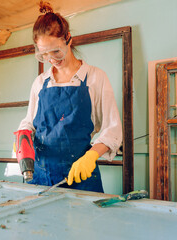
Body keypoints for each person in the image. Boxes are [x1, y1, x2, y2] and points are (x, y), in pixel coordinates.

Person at [14, 1, 122, 193]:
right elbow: (28, 123)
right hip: (40, 175)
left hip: (81, 175)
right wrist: (22, 137)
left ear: (68, 39)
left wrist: (90, 157)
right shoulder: (40, 82)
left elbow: (113, 130)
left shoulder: (95, 77)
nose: (52, 59)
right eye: (44, 54)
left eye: (56, 51)